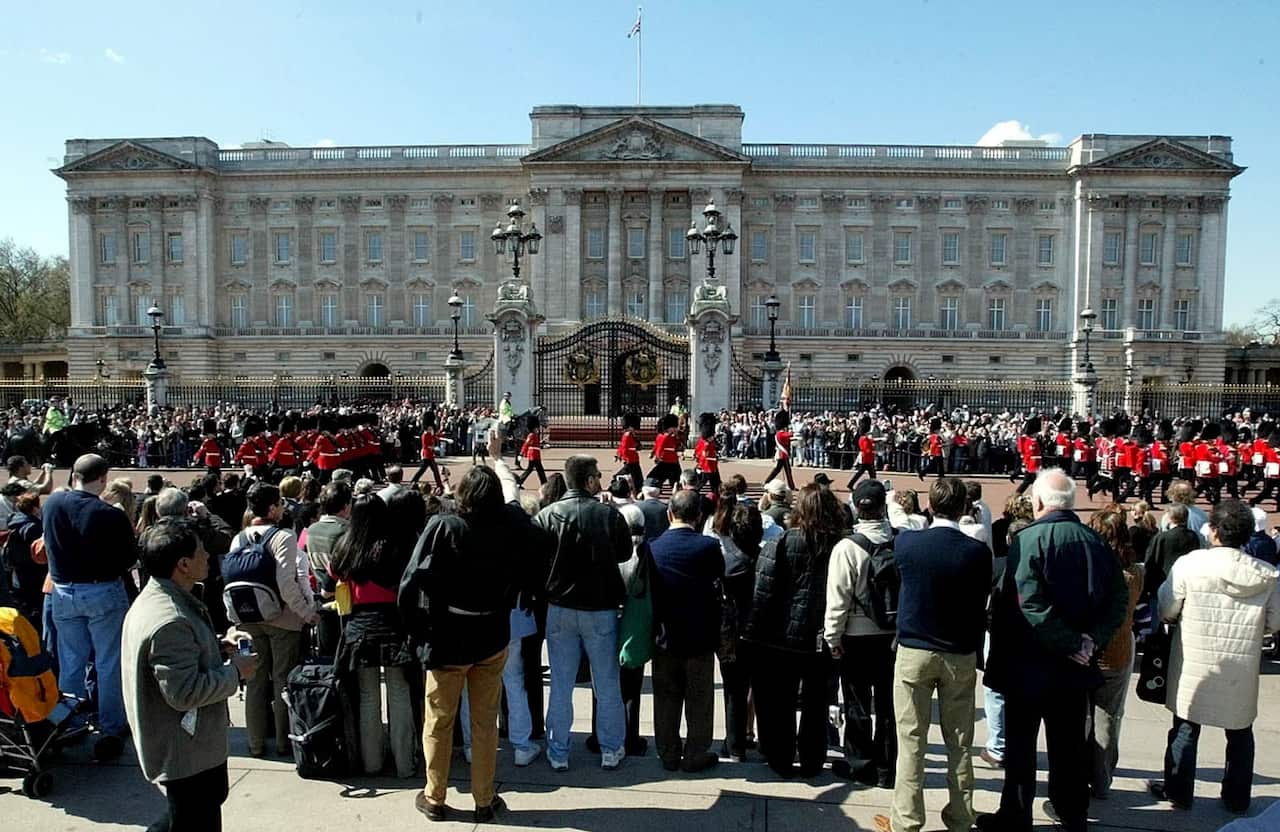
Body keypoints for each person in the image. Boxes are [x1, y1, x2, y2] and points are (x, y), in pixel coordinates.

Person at [977, 469, 1129, 832]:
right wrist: (1092, 639)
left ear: (1041, 501)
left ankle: (1016, 813)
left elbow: (1027, 601)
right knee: (1068, 747)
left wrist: (1074, 641)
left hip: (1030, 664)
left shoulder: (1029, 540)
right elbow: (1118, 597)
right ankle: (1072, 812)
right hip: (1073, 666)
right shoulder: (1095, 540)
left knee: (1021, 747)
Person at [400, 465, 540, 823]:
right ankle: (484, 796)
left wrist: (418, 628)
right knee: (484, 722)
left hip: (449, 635)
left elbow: (412, 581)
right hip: (490, 631)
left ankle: (435, 795)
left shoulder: (445, 526)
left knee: (440, 720)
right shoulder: (509, 525)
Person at [122, 520, 259, 832]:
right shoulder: (170, 619)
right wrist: (236, 672)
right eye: (201, 552)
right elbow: (183, 692)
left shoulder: (161, 600)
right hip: (186, 753)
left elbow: (179, 663)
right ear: (183, 564)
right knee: (194, 818)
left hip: (189, 751)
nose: (209, 556)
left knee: (181, 817)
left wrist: (218, 648)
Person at [1148, 499, 1280, 815]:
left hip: (1194, 659)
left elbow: (1166, 608)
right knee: (1239, 732)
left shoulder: (1190, 564)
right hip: (1241, 664)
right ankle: (1236, 797)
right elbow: (1276, 622)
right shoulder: (1267, 575)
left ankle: (1178, 791)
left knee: (1185, 727)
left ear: (1215, 531)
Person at [876, 478, 991, 832]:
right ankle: (960, 815)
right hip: (958, 652)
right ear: (964, 509)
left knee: (911, 741)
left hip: (915, 649)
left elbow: (895, 527)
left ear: (931, 506)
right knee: (960, 742)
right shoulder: (976, 552)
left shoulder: (910, 543)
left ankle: (907, 819)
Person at [533, 455, 633, 772]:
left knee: (561, 685)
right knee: (606, 685)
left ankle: (559, 750)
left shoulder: (546, 516)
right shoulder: (607, 515)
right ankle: (610, 747)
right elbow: (625, 552)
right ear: (589, 480)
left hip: (560, 607)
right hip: (599, 608)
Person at [42, 453, 137, 760]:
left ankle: (69, 722)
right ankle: (111, 723)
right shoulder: (109, 514)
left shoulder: (53, 505)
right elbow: (128, 559)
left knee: (71, 660)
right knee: (108, 662)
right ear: (103, 478)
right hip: (101, 590)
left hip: (63, 590)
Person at [744, 483, 841, 779]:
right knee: (816, 703)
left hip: (780, 636)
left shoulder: (782, 542)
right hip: (821, 636)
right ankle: (812, 759)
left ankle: (781, 757)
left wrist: (754, 631)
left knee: (779, 702)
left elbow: (762, 592)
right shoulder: (839, 545)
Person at [329, 493, 418, 778]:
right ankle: (405, 763)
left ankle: (372, 763)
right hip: (392, 623)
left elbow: (334, 573)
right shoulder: (395, 544)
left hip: (359, 626)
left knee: (368, 697)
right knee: (399, 694)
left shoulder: (345, 544)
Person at [235, 482, 319, 758]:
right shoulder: (282, 537)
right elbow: (287, 584)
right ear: (273, 508)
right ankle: (285, 741)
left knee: (255, 679)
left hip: (246, 620)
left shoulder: (240, 538)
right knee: (282, 680)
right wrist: (307, 614)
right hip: (282, 620)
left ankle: (255, 742)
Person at [826, 479, 898, 787]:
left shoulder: (847, 547)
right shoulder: (901, 540)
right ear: (884, 507)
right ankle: (886, 766)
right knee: (887, 704)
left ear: (857, 508)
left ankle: (859, 763)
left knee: (856, 702)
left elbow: (837, 597)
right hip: (891, 633)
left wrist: (832, 636)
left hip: (856, 633)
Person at [648, 489, 724, 773]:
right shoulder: (707, 547)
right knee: (699, 700)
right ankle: (695, 752)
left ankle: (667, 752)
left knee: (666, 698)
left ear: (670, 514)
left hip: (665, 635)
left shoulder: (653, 547)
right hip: (700, 635)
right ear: (700, 516)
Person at [1085, 505, 1144, 799]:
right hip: (1117, 652)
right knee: (1108, 717)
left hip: (1090, 650)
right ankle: (1101, 776)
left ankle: (1083, 772)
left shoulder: (1091, 571)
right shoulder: (1133, 572)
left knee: (1083, 717)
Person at [1143, 502, 1200, 600]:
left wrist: (1146, 588)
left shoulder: (1162, 537)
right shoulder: (1193, 536)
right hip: (1185, 584)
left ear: (1170, 518)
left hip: (1161, 584)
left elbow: (1151, 562)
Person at [762, 409, 796, 490]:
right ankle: (791, 486)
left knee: (777, 470)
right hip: (783, 455)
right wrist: (791, 427)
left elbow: (788, 439)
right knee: (788, 471)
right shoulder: (781, 434)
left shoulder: (779, 434)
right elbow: (791, 435)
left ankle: (766, 481)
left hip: (781, 455)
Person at [410, 416, 445, 490]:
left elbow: (436, 437)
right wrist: (434, 448)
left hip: (429, 455)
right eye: (430, 428)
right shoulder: (425, 435)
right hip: (427, 455)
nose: (431, 429)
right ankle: (439, 485)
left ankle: (414, 481)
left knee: (425, 470)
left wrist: (444, 438)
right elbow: (426, 445)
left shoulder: (429, 434)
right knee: (431, 470)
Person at [615, 412, 644, 495]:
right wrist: (622, 455)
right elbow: (623, 447)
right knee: (635, 475)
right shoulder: (627, 435)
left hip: (633, 458)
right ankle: (615, 480)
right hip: (630, 459)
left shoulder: (631, 434)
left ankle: (639, 488)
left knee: (636, 475)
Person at [516, 415, 547, 487]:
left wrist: (542, 444)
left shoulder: (534, 435)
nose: (538, 429)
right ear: (533, 428)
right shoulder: (531, 435)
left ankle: (519, 481)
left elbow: (536, 445)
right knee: (538, 470)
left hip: (536, 455)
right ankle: (544, 483)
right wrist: (521, 454)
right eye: (536, 428)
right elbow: (526, 444)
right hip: (533, 455)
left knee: (533, 470)